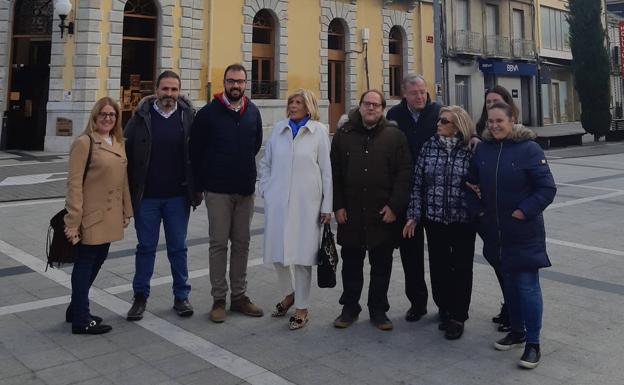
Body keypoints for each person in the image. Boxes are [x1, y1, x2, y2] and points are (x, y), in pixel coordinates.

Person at [467, 101, 556, 369]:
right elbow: (470, 184)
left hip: (523, 231)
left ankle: (533, 343)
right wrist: (479, 211)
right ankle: (517, 331)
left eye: (499, 121)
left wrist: (522, 211)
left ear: (512, 119)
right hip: (495, 232)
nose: (494, 126)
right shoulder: (483, 149)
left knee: (527, 286)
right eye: (490, 121)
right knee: (510, 285)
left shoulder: (529, 149)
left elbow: (547, 188)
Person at [330, 90, 412, 331]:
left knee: (381, 266)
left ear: (383, 109)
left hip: (382, 214)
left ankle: (378, 310)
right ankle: (349, 307)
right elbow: (334, 174)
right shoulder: (343, 135)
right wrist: (338, 205)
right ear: (360, 106)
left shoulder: (395, 137)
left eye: (376, 105)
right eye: (367, 104)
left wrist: (395, 207)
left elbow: (404, 174)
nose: (371, 109)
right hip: (352, 213)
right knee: (351, 264)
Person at [190, 63, 264, 323]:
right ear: (224, 82)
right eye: (232, 81)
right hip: (217, 191)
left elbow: (255, 145)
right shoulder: (208, 114)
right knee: (219, 245)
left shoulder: (253, 112)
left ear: (246, 84)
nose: (236, 86)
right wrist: (198, 187)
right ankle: (219, 299)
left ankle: (240, 297)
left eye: (241, 81)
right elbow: (195, 152)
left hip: (245, 191)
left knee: (242, 244)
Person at [124, 71, 199, 321]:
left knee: (178, 248)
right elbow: (126, 154)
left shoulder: (189, 116)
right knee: (145, 248)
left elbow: (199, 153)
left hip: (178, 197)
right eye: (165, 89)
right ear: (156, 90)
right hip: (147, 198)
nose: (169, 95)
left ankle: (181, 296)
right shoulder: (140, 117)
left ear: (179, 91)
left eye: (174, 90)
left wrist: (196, 188)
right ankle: (140, 297)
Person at [258, 89, 332, 330]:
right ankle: (288, 294)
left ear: (309, 107)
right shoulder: (279, 130)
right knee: (278, 255)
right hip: (278, 204)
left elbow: (326, 172)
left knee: (301, 258)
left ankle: (302, 307)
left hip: (306, 205)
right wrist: (266, 189)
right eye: (290, 102)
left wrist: (327, 205)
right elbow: (265, 163)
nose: (292, 106)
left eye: (298, 102)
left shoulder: (318, 132)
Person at [402, 106, 477, 340]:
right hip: (434, 218)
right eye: (439, 120)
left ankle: (458, 315)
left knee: (462, 268)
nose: (438, 124)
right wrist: (413, 215)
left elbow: (481, 181)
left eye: (444, 121)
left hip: (463, 219)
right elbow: (417, 184)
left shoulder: (470, 149)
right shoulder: (429, 146)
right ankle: (444, 307)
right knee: (439, 266)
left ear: (457, 125)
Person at [64, 97, 133, 334]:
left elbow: (123, 179)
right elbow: (74, 184)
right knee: (85, 263)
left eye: (112, 115)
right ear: (94, 116)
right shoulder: (84, 142)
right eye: (103, 114)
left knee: (98, 260)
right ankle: (81, 320)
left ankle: (76, 308)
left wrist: (127, 209)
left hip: (110, 216)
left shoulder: (118, 141)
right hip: (90, 216)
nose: (107, 118)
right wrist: (72, 221)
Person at [386, 74, 441, 322]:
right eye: (414, 93)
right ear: (404, 94)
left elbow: (460, 132)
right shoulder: (395, 116)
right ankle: (417, 303)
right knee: (411, 252)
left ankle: (445, 305)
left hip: (435, 194)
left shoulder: (439, 112)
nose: (420, 96)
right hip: (408, 193)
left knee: (441, 253)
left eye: (423, 91)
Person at [474, 85, 520, 332]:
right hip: (488, 211)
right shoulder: (482, 133)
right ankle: (509, 306)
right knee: (496, 261)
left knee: (509, 265)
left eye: (496, 101)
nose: (491, 104)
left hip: (510, 213)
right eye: (488, 101)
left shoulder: (518, 136)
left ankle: (515, 312)